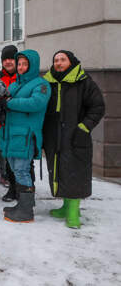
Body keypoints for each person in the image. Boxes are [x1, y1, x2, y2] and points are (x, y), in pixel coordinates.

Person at [42, 50, 105, 229]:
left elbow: (98, 107)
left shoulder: (84, 82)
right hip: (55, 137)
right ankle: (65, 206)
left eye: (63, 60)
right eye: (56, 60)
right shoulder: (49, 82)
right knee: (58, 170)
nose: (59, 63)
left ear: (71, 62)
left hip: (76, 137)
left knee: (75, 172)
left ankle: (73, 212)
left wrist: (84, 127)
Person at [0, 50, 51, 223]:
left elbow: (36, 103)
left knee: (22, 170)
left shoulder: (41, 85)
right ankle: (23, 204)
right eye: (19, 64)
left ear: (32, 65)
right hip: (12, 133)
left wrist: (9, 103)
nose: (20, 67)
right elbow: (5, 99)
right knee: (15, 169)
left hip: (26, 135)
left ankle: (26, 211)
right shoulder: (14, 85)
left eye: (24, 64)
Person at [0, 45, 20, 200]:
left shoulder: (21, 77)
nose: (8, 62)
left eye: (11, 59)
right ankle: (12, 188)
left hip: (18, 124)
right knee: (8, 158)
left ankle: (24, 189)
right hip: (3, 125)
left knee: (22, 160)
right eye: (5, 59)